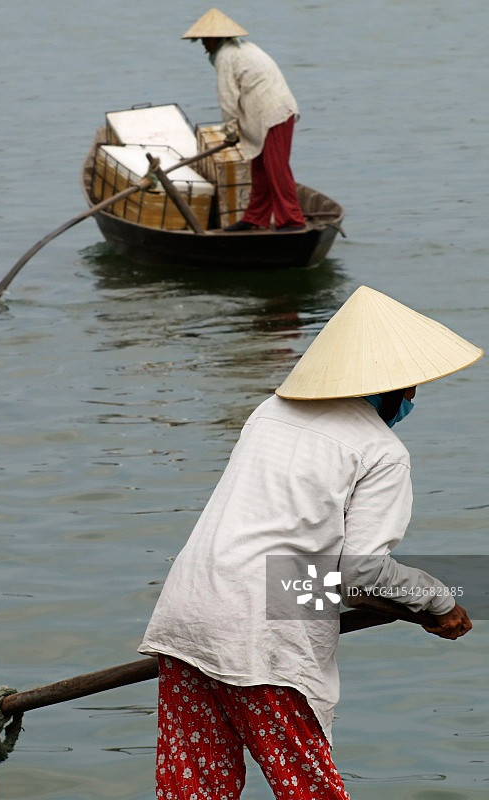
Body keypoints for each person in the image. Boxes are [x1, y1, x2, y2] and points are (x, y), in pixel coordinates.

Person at [139, 285, 483, 800]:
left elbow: (306, 566)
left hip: (189, 611)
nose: (412, 398)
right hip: (259, 636)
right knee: (309, 791)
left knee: (196, 790)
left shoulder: (269, 413)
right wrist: (437, 599)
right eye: (409, 386)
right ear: (384, 385)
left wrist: (405, 601)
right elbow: (360, 573)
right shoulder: (381, 451)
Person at [182, 8, 307, 232]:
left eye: (204, 39)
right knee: (260, 168)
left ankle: (292, 221)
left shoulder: (226, 56)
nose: (202, 44)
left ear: (215, 38)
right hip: (267, 114)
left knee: (276, 169)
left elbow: (228, 99)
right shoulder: (241, 50)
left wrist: (230, 132)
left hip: (273, 114)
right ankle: (255, 218)